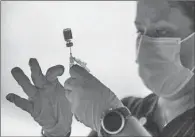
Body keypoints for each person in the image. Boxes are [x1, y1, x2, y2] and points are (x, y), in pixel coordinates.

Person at [6, 1, 194, 137]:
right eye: (140, 31)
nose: (145, 45)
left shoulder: (115, 116)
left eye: (162, 31)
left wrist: (116, 122)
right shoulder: (130, 108)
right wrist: (56, 132)